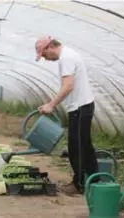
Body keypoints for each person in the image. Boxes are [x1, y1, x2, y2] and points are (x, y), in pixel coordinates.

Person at [35, 36, 99, 195]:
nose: (46, 59)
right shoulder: (69, 55)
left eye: (44, 55)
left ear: (50, 47)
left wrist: (51, 105)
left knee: (76, 148)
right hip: (82, 106)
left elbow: (68, 86)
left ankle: (79, 184)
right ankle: (95, 181)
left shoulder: (66, 58)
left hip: (80, 108)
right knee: (85, 146)